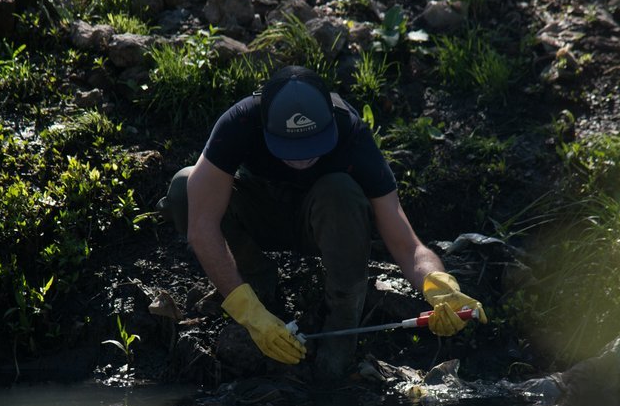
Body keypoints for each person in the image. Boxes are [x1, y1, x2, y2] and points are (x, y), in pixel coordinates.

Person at [165, 65, 487, 380]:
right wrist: (248, 313)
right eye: (290, 150)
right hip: (260, 215)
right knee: (185, 188)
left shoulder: (352, 133)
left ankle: (340, 332)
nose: (302, 160)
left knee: (342, 191)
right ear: (264, 127)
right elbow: (202, 227)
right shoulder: (240, 122)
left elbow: (408, 245)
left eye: (311, 148)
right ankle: (258, 288)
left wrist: (440, 286)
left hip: (326, 225)